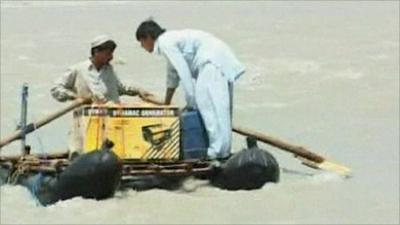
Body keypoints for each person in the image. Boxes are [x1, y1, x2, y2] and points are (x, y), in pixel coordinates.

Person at [135, 20, 245, 160]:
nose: (142, 46)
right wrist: (166, 105)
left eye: (141, 42)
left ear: (148, 37)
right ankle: (223, 151)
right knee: (221, 110)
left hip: (210, 62)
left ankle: (216, 153)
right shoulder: (170, 40)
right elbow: (172, 76)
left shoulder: (164, 42)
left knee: (210, 108)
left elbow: (183, 72)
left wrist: (191, 101)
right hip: (219, 59)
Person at [51, 34, 152, 156]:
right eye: (107, 53)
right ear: (96, 52)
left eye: (111, 53)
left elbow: (120, 88)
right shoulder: (78, 70)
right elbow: (56, 89)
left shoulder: (109, 70)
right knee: (82, 152)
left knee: (115, 151)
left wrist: (138, 91)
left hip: (111, 123)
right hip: (86, 123)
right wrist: (75, 97)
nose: (111, 57)